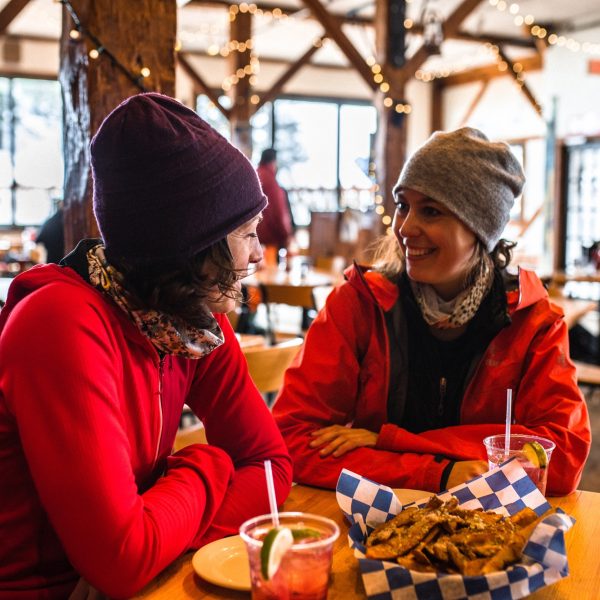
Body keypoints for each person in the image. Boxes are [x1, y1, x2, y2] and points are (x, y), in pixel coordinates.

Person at [0, 93, 292, 599]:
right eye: (245, 234)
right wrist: (208, 463)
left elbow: (271, 470)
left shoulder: (191, 326)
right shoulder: (57, 324)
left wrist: (157, 530)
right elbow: (121, 559)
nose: (256, 254)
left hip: (147, 582)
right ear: (193, 246)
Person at [273, 127, 591, 497]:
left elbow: (561, 458)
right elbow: (291, 440)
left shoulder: (533, 323)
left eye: (431, 211)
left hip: (488, 534)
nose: (405, 227)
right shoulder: (357, 305)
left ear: (479, 229)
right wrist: (436, 474)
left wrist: (389, 440)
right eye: (403, 205)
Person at [256, 148, 293, 253]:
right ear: (273, 162)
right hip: (269, 242)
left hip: (253, 240)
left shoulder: (254, 175)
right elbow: (279, 212)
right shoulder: (271, 181)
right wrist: (286, 235)